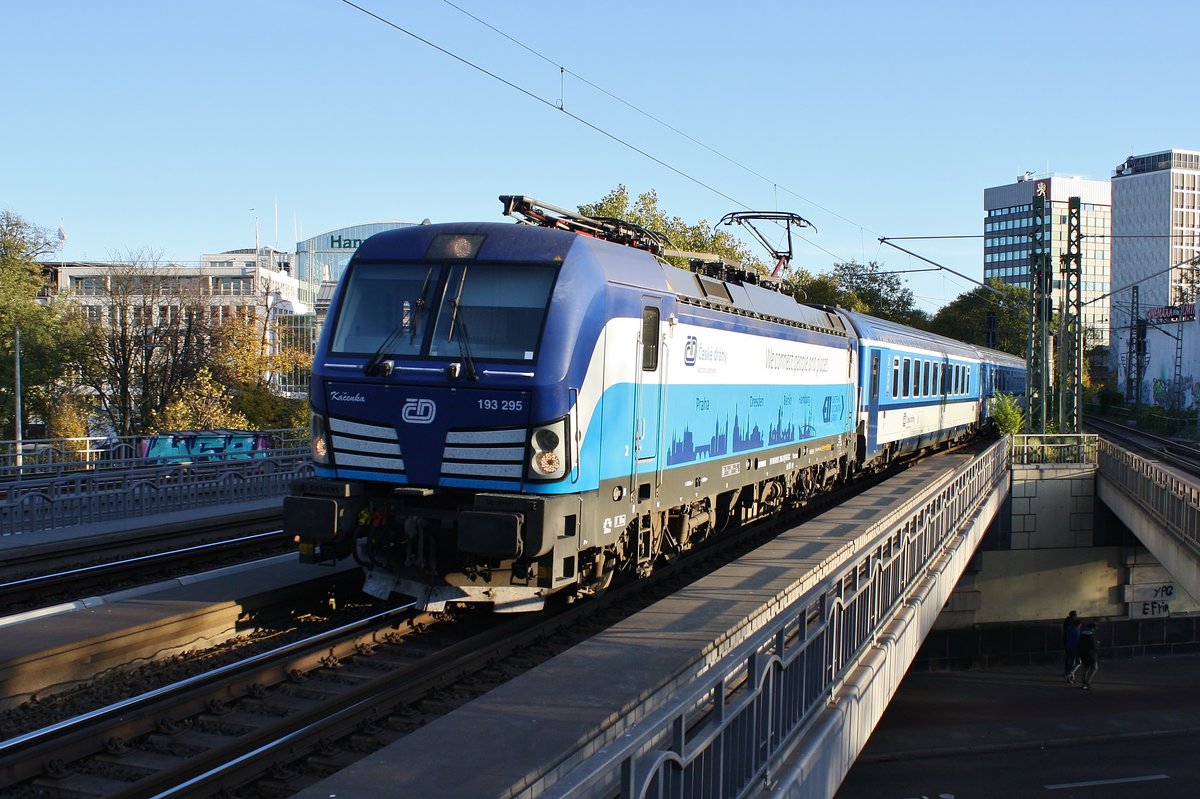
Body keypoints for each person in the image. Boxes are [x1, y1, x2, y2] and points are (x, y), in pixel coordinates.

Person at [1078, 622, 1099, 689]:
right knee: (1094, 667)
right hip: (1091, 655)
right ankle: (1087, 682)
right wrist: (1097, 644)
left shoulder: (1082, 635)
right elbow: (1094, 646)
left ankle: (1083, 682)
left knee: (1085, 668)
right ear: (1092, 628)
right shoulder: (1091, 636)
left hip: (1083, 654)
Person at [1062, 610, 1081, 683]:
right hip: (1073, 647)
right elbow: (1076, 639)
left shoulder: (1069, 625)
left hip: (1068, 645)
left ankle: (1071, 676)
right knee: (1075, 662)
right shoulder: (1074, 628)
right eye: (1076, 615)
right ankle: (1069, 675)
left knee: (1070, 661)